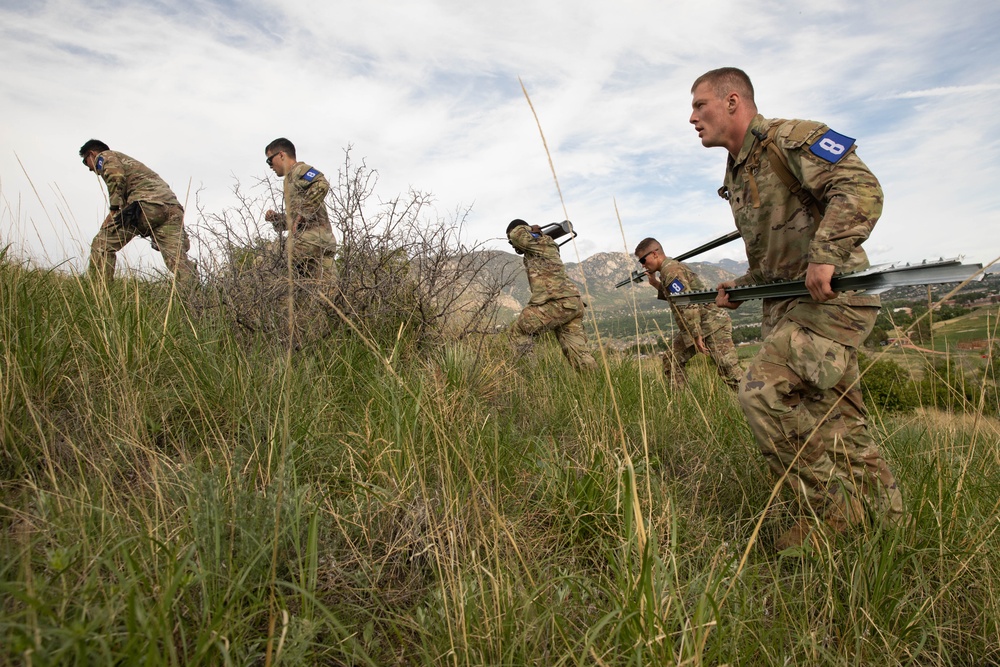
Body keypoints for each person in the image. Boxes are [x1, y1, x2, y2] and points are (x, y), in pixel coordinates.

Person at [688, 67, 905, 550]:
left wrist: (827, 254)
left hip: (834, 303)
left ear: (731, 101)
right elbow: (775, 261)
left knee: (760, 391)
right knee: (840, 423)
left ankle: (834, 512)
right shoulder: (738, 171)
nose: (692, 117)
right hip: (793, 310)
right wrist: (741, 287)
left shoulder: (790, 139)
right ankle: (891, 529)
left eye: (699, 105)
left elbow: (861, 188)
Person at [79, 140, 198, 289]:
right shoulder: (131, 165)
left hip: (145, 207)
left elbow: (116, 177)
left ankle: (99, 292)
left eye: (85, 162)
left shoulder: (104, 156)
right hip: (171, 209)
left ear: (91, 154)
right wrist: (113, 215)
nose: (90, 169)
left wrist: (114, 209)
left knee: (101, 245)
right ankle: (194, 297)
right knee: (176, 261)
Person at [633, 237, 741, 390]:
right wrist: (655, 283)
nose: (643, 265)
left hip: (712, 325)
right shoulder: (667, 271)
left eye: (643, 260)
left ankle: (758, 404)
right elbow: (676, 297)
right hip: (696, 326)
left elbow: (687, 304)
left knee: (729, 371)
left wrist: (696, 335)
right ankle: (681, 403)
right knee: (672, 359)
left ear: (655, 254)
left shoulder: (671, 271)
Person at [506, 219, 598, 372]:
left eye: (510, 241)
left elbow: (516, 234)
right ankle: (597, 383)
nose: (513, 245)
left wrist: (524, 230)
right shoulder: (544, 245)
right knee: (580, 355)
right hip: (572, 305)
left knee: (519, 331)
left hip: (558, 304)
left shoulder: (538, 243)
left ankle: (529, 376)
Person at [263, 138, 337, 281]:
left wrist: (303, 213)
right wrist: (277, 219)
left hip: (311, 240)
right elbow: (297, 222)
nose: (270, 166)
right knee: (328, 293)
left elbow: (321, 184)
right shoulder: (289, 180)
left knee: (267, 259)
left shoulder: (299, 170)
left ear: (281, 155)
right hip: (321, 244)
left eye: (269, 160)